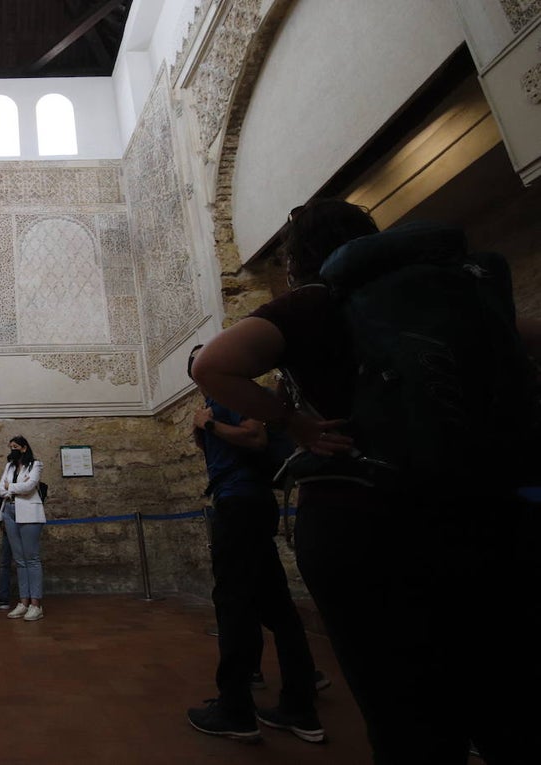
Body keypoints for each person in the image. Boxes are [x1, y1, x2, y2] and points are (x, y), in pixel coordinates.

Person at [191, 198, 541, 764]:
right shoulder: (456, 296)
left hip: (361, 521)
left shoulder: (312, 304)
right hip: (482, 513)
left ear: (296, 258)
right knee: (506, 699)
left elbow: (211, 365)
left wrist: (295, 423)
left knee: (403, 710)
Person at [186, 346, 324, 744]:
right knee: (277, 606)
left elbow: (255, 436)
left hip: (240, 503)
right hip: (248, 502)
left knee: (233, 603)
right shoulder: (219, 400)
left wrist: (209, 426)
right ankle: (300, 707)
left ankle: (235, 710)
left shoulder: (233, 395)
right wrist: (202, 427)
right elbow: (220, 449)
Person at [0, 436, 46, 621]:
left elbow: (30, 486)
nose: (12, 450)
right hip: (9, 510)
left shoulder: (35, 465)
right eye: (10, 447)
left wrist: (12, 487)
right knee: (19, 560)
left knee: (31, 558)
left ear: (24, 448)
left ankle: (36, 604)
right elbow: (0, 489)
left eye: (15, 447)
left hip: (29, 512)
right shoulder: (9, 466)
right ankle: (23, 602)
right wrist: (13, 488)